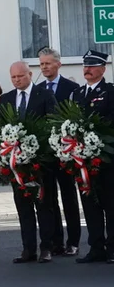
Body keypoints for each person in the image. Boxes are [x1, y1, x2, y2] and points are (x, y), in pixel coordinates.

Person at [0, 62, 57, 263]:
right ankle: (28, 249)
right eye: (13, 77)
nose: (17, 80)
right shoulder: (6, 99)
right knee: (23, 205)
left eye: (20, 76)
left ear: (30, 74)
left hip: (39, 161)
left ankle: (47, 247)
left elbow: (52, 124)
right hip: (17, 164)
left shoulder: (44, 95)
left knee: (44, 204)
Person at [37, 46, 82, 256]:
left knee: (69, 196)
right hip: (45, 154)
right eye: (42, 64)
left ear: (58, 64)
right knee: (49, 199)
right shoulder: (37, 90)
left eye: (48, 63)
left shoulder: (71, 88)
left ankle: (73, 241)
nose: (44, 67)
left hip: (65, 153)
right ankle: (55, 240)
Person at [71, 50, 114, 264]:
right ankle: (96, 247)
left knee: (110, 204)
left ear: (102, 69)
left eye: (92, 66)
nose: (87, 69)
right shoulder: (78, 94)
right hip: (83, 161)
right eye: (85, 65)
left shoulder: (110, 92)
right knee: (89, 204)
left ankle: (112, 248)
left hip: (104, 160)